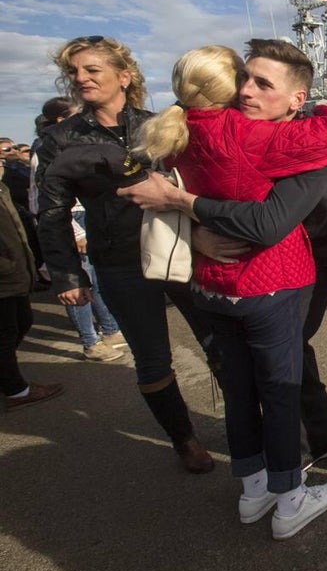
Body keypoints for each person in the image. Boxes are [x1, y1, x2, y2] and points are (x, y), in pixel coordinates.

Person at [119, 38, 327, 498]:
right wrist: (195, 234)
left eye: (262, 83)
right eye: (244, 79)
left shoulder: (311, 139)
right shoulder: (241, 130)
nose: (246, 90)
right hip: (303, 248)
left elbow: (270, 222)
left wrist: (184, 204)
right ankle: (325, 432)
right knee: (291, 339)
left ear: (297, 98)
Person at [37, 36, 216, 474]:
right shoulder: (60, 139)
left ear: (124, 76)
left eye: (92, 69)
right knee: (153, 357)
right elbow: (52, 212)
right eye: (75, 72)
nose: (81, 78)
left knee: (220, 343)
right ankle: (184, 438)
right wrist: (67, 274)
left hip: (178, 248)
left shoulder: (161, 123)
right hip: (118, 260)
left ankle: (250, 425)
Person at [29, 98, 125, 363]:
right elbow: (44, 203)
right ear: (62, 121)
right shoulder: (46, 149)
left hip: (87, 214)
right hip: (71, 219)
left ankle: (110, 330)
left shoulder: (82, 142)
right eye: (78, 114)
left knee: (95, 281)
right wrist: (76, 232)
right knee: (78, 283)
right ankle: (89, 341)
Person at [1, 178, 64, 411]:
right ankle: (17, 391)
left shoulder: (2, 187)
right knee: (6, 333)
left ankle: (8, 378)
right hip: (5, 275)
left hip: (15, 272)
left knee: (22, 322)